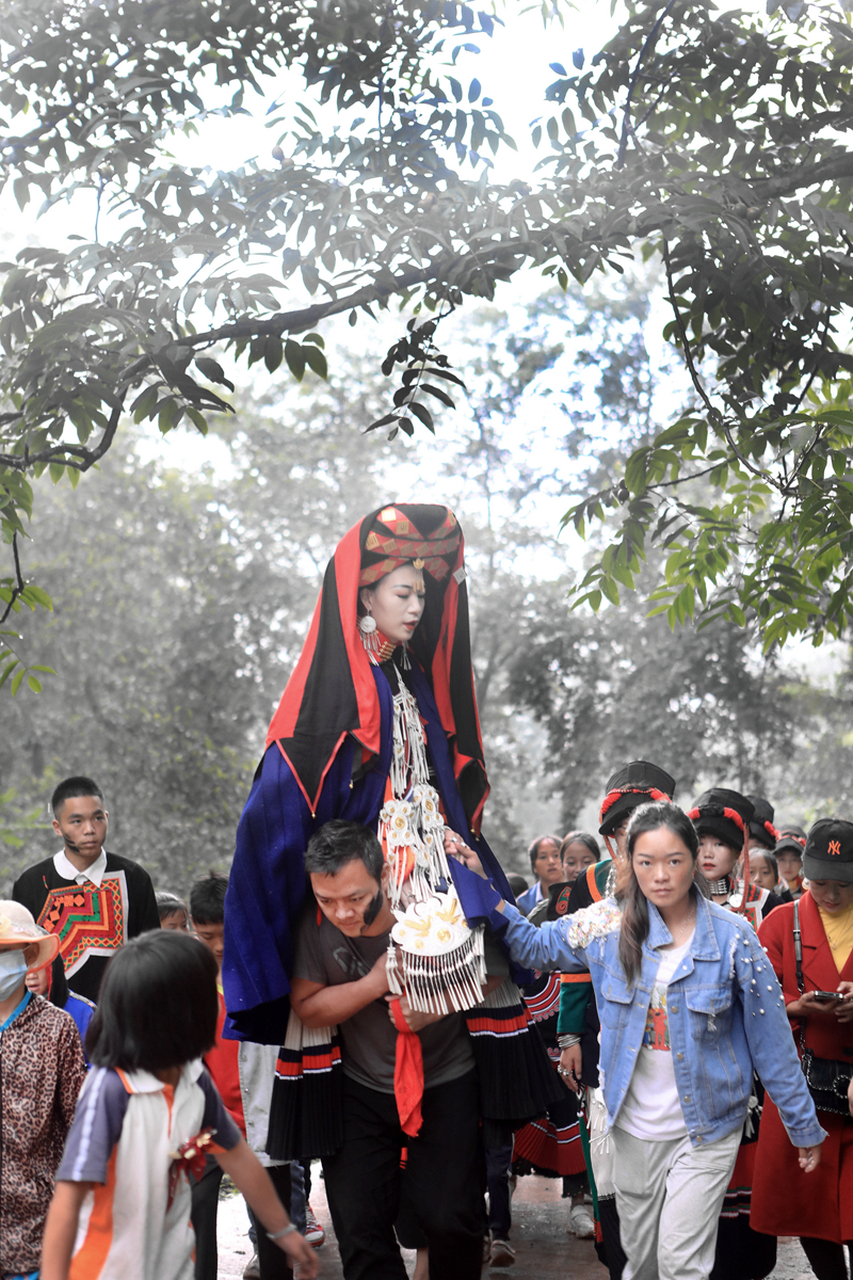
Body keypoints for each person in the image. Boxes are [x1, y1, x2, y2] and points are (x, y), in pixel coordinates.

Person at [223, 505, 560, 1178]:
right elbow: (285, 796)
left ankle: (462, 1164)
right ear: (364, 595)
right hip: (376, 861)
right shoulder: (335, 688)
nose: (416, 607)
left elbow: (433, 771)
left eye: (423, 594)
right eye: (403, 593)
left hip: (433, 853)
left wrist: (457, 845)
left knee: (493, 953)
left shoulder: (410, 672)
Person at [476, 800, 826, 1280]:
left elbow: (773, 1042)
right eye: (646, 862)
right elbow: (533, 945)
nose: (660, 875)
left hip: (707, 1128)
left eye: (674, 860)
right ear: (629, 862)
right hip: (633, 1128)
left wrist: (802, 1125)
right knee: (639, 1265)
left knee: (682, 1263)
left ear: (694, 859)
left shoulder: (734, 938)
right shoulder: (605, 924)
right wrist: (482, 884)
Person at [40, 930, 317, 1280]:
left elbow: (239, 1157)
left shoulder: (194, 1080)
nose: (218, 1001)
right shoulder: (110, 1091)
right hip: (106, 1270)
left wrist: (283, 1232)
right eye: (206, 992)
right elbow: (67, 1200)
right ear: (176, 1014)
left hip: (172, 1265)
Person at [291, 819, 485, 1279]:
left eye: (355, 898)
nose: (342, 913)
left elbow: (491, 969)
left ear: (383, 876)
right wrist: (375, 981)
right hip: (361, 1088)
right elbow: (307, 1006)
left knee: (450, 1217)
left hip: (445, 1078)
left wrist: (434, 1006)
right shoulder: (312, 925)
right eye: (327, 900)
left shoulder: (429, 903)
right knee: (358, 1223)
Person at [556, 760, 676, 1280]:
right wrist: (569, 1034)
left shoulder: (677, 870)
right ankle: (617, 1249)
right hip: (604, 1034)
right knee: (608, 1155)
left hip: (670, 1038)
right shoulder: (589, 882)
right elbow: (572, 962)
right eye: (620, 825)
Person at [752, 819, 853, 1280]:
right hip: (803, 1089)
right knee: (809, 1206)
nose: (830, 896)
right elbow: (752, 1004)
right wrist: (797, 1007)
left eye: (844, 885)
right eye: (820, 884)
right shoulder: (780, 922)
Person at [12, 776, 160, 1001]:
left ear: (107, 818)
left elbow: (153, 958)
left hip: (122, 1019)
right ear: (57, 827)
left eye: (97, 818)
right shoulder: (31, 883)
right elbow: (20, 961)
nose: (90, 829)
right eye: (77, 821)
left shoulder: (133, 878)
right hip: (52, 1023)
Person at [0, 902, 87, 1280]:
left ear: (29, 955)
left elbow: (80, 1122)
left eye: (5, 953)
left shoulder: (57, 1028)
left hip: (37, 1220)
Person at [691, 788, 782, 928]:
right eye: (700, 843)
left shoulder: (767, 903)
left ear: (738, 852)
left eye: (719, 844)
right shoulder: (677, 899)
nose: (708, 853)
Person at [516, 835, 562, 915]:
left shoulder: (578, 894)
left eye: (556, 855)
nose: (551, 862)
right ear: (534, 866)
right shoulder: (523, 903)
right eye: (543, 857)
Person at [775, 830, 807, 899]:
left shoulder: (809, 890)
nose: (788, 866)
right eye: (782, 860)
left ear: (801, 863)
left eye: (794, 860)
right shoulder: (770, 889)